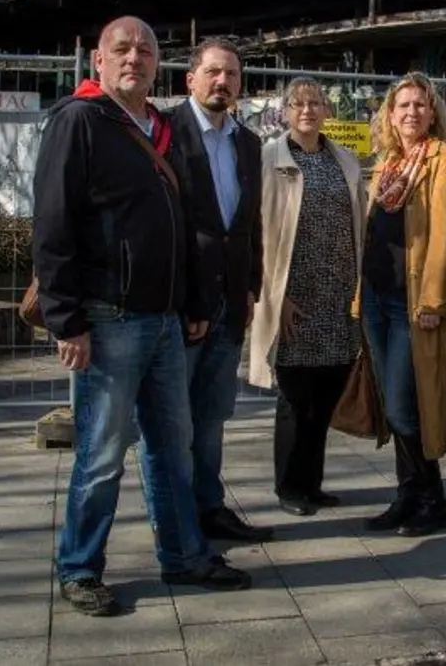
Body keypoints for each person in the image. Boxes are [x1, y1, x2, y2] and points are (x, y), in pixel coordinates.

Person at [34, 16, 250, 618]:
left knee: (171, 450)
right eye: (122, 49)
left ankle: (183, 557)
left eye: (146, 51)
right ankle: (79, 568)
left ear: (158, 65)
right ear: (97, 60)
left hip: (164, 322)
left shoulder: (156, 127)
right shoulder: (79, 121)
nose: (135, 58)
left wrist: (190, 304)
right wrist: (65, 319)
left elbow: (180, 228)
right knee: (101, 454)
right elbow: (52, 225)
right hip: (107, 319)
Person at [163, 37, 273, 543]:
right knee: (173, 423)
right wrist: (187, 298)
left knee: (212, 418)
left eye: (231, 74)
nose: (222, 82)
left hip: (230, 305)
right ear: (190, 78)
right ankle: (178, 517)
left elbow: (247, 225)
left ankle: (209, 507)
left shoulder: (247, 143)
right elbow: (167, 225)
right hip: (184, 305)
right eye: (212, 72)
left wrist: (251, 286)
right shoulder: (165, 132)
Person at [248, 78, 365, 516]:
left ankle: (312, 484)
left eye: (315, 102)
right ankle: (289, 486)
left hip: (338, 300)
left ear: (326, 110)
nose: (308, 110)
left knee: (326, 397)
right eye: (298, 103)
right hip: (294, 299)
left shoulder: (345, 160)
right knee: (296, 399)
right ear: (285, 112)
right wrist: (275, 298)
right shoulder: (269, 160)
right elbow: (256, 232)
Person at [357, 72, 446, 537]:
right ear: (390, 113)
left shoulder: (443, 160)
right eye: (403, 105)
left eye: (420, 105)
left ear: (432, 112)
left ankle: (432, 499)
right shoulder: (387, 164)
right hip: (377, 300)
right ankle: (407, 496)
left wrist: (435, 299)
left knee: (406, 407)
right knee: (391, 403)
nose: (411, 113)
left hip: (413, 303)